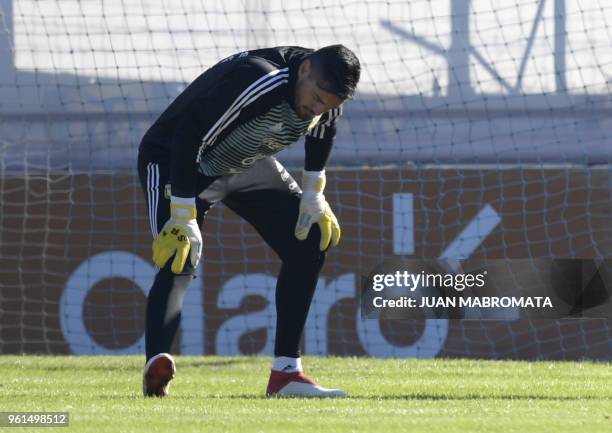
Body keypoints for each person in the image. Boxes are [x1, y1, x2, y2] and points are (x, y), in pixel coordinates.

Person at [137, 45, 361, 398]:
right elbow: (187, 134)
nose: (317, 110)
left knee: (310, 238)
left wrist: (313, 192)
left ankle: (286, 374)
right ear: (304, 70)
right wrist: (182, 213)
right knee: (179, 253)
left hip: (241, 162)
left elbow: (322, 132)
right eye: (316, 99)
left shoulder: (327, 95)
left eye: (326, 105)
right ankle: (157, 368)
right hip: (176, 160)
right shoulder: (259, 79)